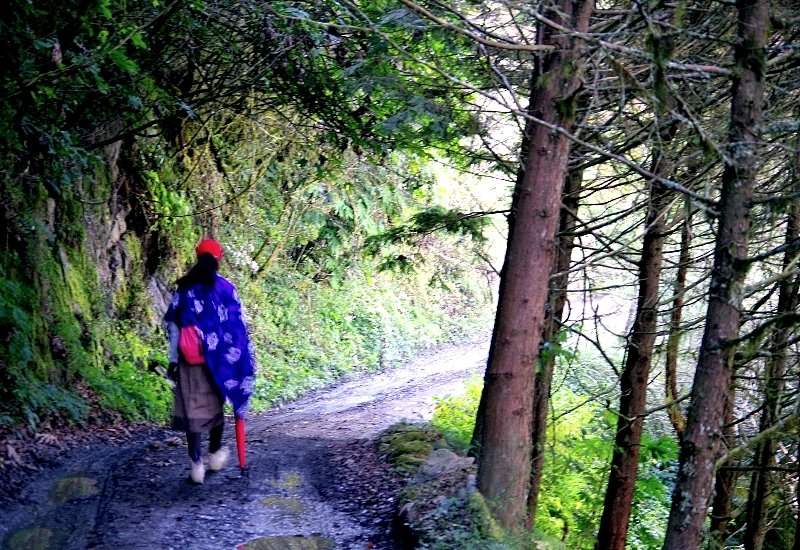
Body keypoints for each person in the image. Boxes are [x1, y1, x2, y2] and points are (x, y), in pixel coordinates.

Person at [164, 238, 256, 483]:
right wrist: (243, 359)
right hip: (220, 363)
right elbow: (240, 327)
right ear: (218, 259)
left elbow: (174, 326)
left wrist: (173, 360)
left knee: (191, 410)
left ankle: (196, 464)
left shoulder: (184, 289)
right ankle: (215, 455)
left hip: (190, 360)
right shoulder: (227, 288)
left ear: (197, 258)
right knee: (216, 408)